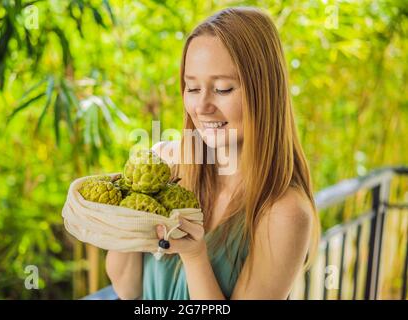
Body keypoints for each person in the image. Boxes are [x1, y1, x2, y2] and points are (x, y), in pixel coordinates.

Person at [106, 6, 320, 300]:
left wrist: (195, 257)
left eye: (222, 89)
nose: (202, 107)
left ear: (265, 91)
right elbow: (128, 290)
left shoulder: (284, 213)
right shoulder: (168, 165)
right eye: (192, 88)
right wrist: (124, 208)